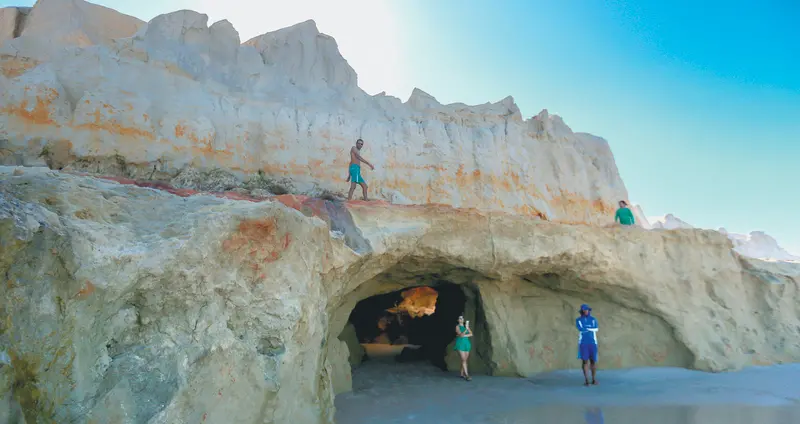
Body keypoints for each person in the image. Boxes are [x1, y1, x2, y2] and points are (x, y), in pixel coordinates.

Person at [576, 304, 599, 386]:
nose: (585, 311)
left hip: (593, 342)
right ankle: (586, 380)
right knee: (585, 361)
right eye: (584, 310)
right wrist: (590, 328)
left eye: (586, 310)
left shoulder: (593, 319)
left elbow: (596, 328)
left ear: (589, 310)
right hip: (583, 342)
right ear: (582, 311)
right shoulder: (578, 320)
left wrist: (587, 328)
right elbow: (581, 329)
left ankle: (594, 379)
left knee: (593, 361)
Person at [454, 315, 473, 381]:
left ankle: (461, 374)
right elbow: (461, 335)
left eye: (462, 318)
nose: (461, 319)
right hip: (460, 344)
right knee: (464, 359)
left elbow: (471, 334)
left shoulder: (466, 326)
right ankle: (467, 375)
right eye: (460, 318)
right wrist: (466, 330)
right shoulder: (457, 327)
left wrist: (466, 330)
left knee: (464, 360)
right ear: (458, 320)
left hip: (467, 344)